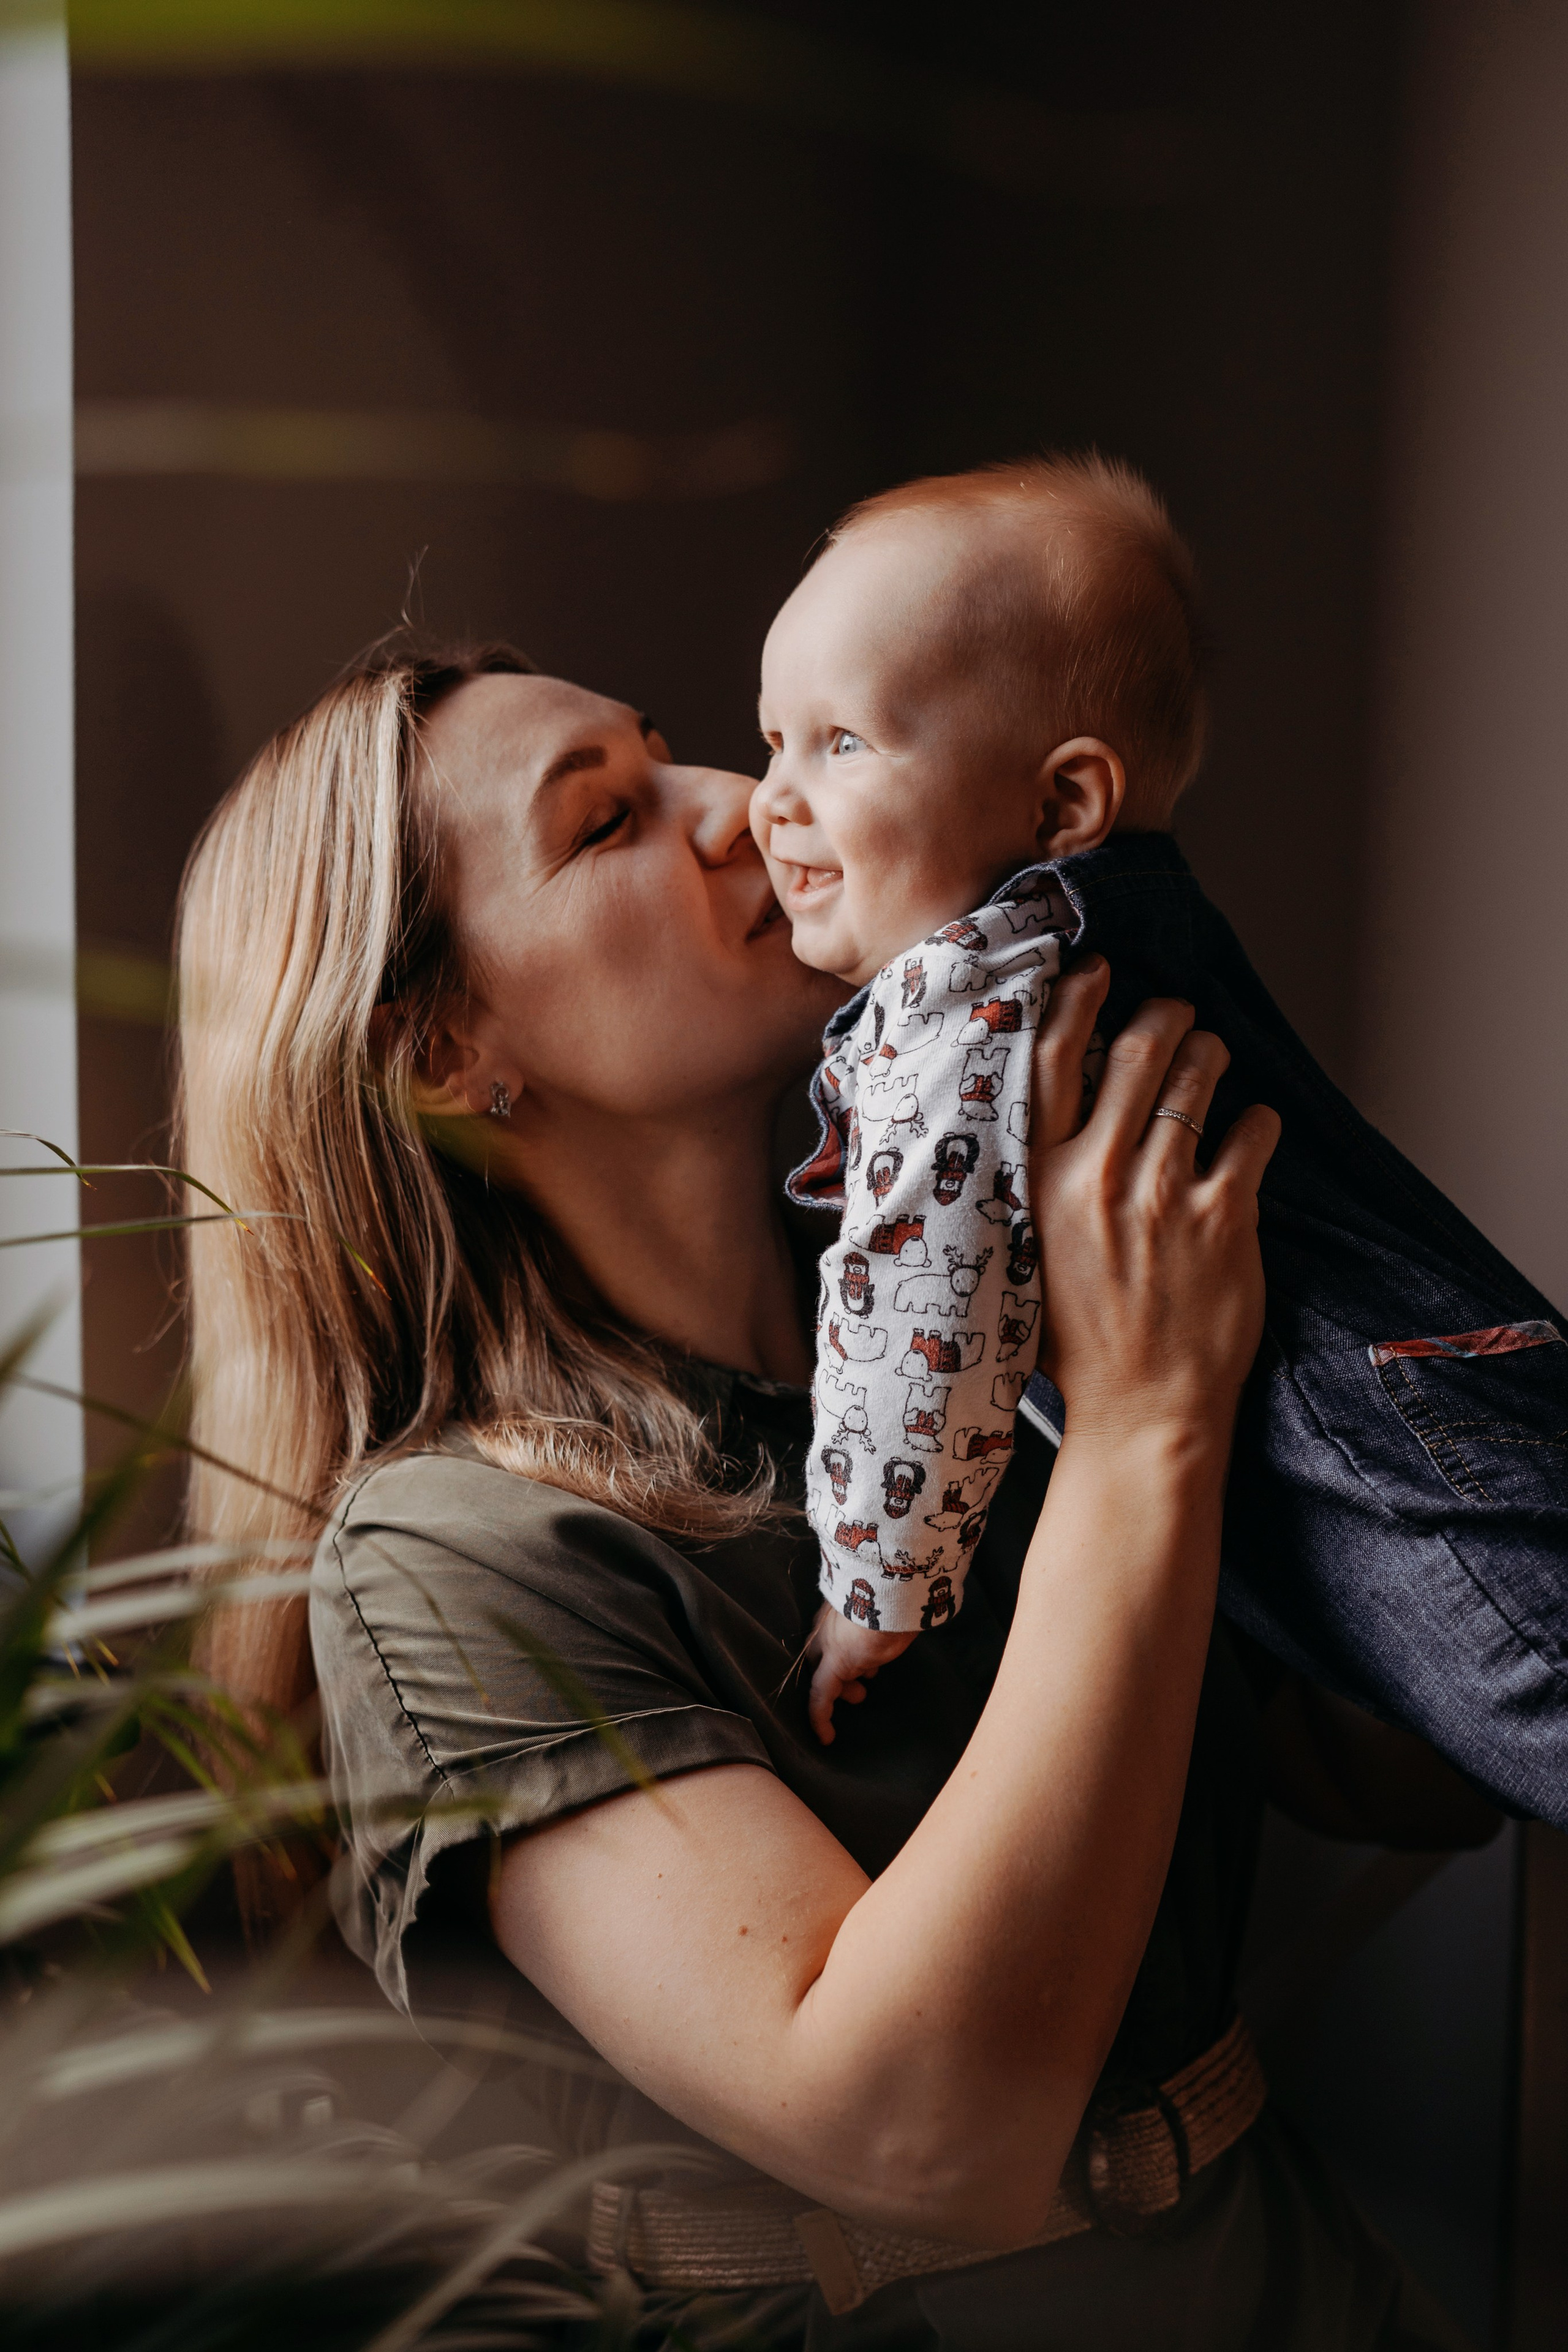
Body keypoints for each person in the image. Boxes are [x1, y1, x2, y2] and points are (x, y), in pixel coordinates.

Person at [178, 641, 1495, 2348]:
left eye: (678, 756)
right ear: (446, 1051)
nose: (749, 809)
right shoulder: (451, 1559)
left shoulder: (993, 1343)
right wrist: (1146, 1429)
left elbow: (1405, 1768)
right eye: (608, 825)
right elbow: (924, 2131)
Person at [752, 455, 1568, 1791]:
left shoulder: (955, 999)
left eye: (842, 743)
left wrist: (875, 1580)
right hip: (1444, 1382)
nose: (772, 798)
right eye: (773, 738)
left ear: (1060, 805)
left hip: (1372, 1452)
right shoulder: (1115, 929)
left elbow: (921, 1284)